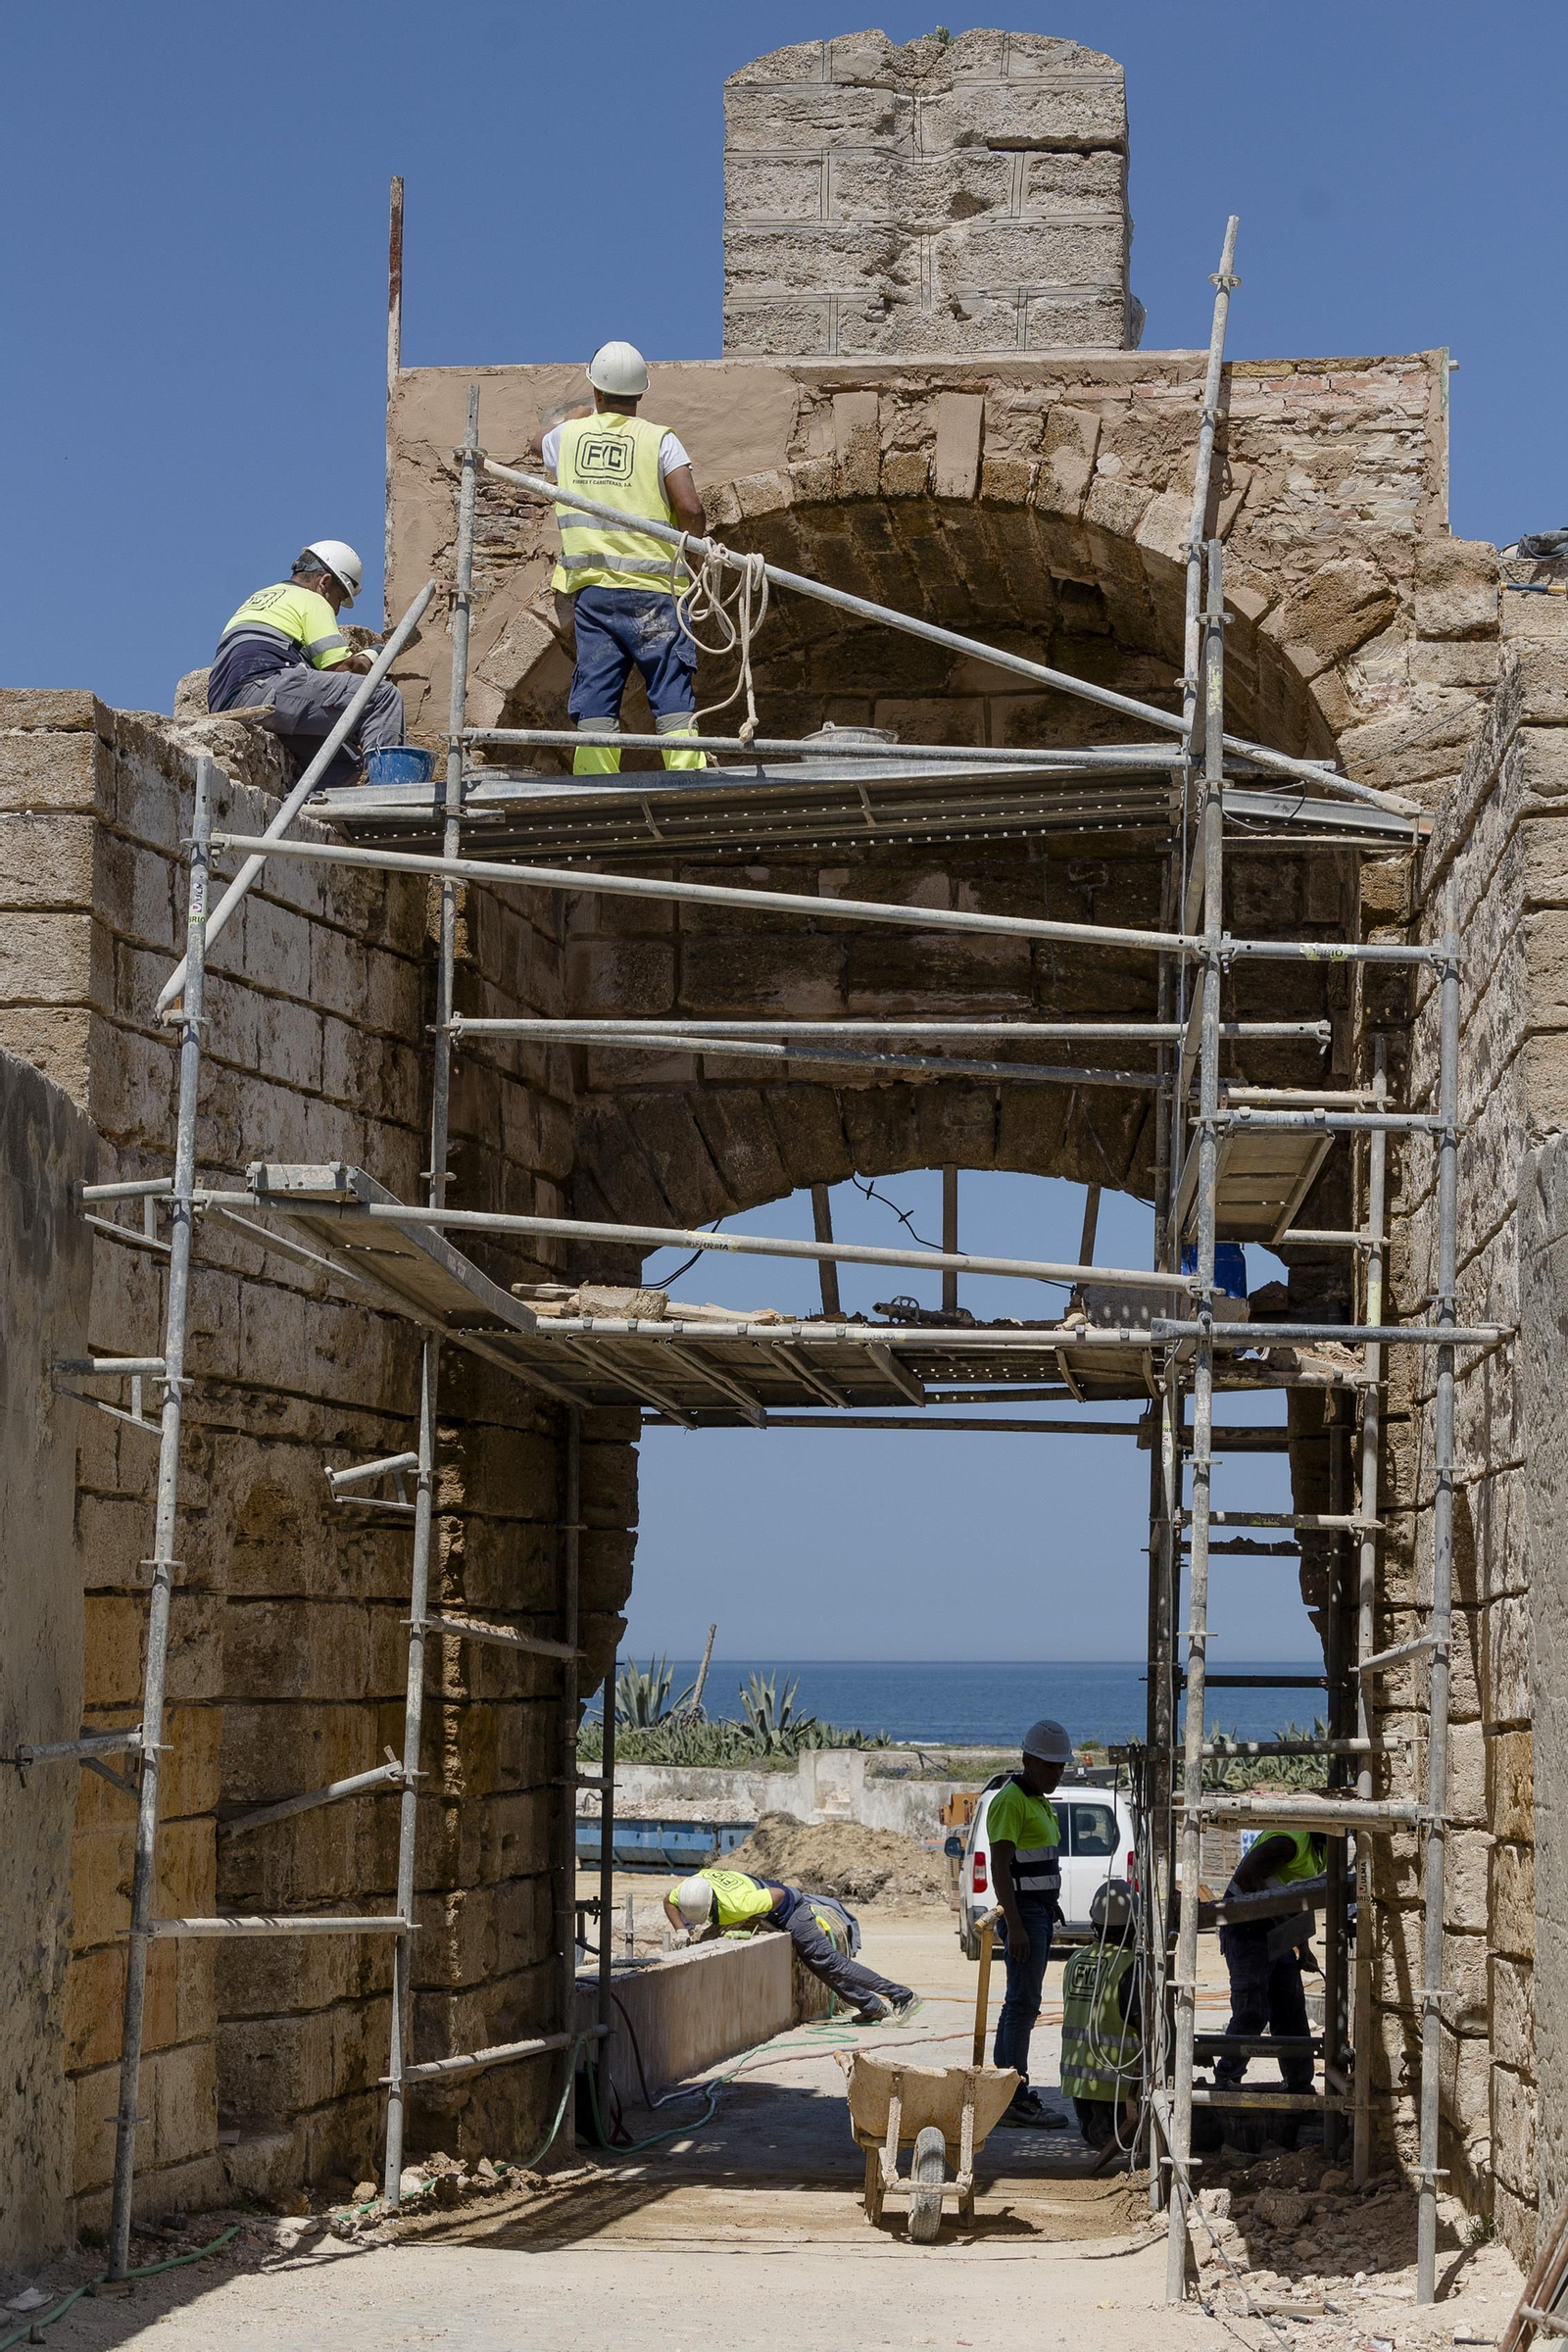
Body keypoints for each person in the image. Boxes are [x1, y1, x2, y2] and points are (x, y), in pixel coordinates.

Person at [539, 340, 708, 775]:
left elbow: (536, 440)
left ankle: (595, 780)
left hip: (595, 595)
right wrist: (691, 555)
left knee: (597, 686)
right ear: (640, 394)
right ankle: (687, 772)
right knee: (669, 683)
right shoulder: (660, 440)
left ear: (595, 391)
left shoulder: (567, 438)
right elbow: (690, 510)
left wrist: (579, 414)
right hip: (656, 592)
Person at [207, 541, 407, 790]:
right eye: (339, 598)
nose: (336, 609)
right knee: (382, 696)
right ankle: (387, 790)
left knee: (343, 762)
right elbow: (341, 670)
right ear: (324, 583)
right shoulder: (311, 600)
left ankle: (296, 812)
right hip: (265, 687)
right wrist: (375, 654)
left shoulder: (262, 597)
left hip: (228, 701)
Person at [663, 1867, 921, 2026]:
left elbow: (780, 1895)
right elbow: (668, 1901)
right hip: (768, 1903)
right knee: (819, 1968)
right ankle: (872, 2008)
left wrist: (773, 1924)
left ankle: (902, 1996)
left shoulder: (738, 1905)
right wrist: (681, 1930)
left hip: (790, 1909)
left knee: (829, 1962)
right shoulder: (692, 1886)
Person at [988, 1717, 1073, 2128]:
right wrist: (1017, 1924)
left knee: (1018, 2003)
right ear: (1027, 1760)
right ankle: (1013, 2094)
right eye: (1048, 1766)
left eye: (1060, 1767)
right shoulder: (1011, 1801)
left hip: (1037, 1911)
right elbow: (1001, 1867)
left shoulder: (1037, 1799)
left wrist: (1046, 1904)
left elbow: (1030, 1865)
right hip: (1024, 1915)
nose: (1055, 1773)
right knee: (1023, 2004)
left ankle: (1003, 2090)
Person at [1212, 1827, 1327, 2116]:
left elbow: (1299, 1897)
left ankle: (1300, 2086)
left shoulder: (1322, 1851)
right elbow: (1247, 1878)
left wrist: (1303, 1946)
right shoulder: (1287, 1842)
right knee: (1252, 2012)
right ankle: (1226, 2080)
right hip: (1247, 1925)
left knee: (1290, 2011)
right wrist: (1281, 1920)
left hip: (1275, 1929)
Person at [1059, 1877, 1143, 2152]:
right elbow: (1147, 2027)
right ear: (1134, 1926)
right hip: (1118, 2096)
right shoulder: (1129, 1966)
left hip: (1080, 2091)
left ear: (1094, 1923)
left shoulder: (1075, 1961)